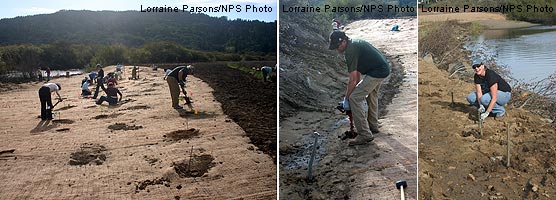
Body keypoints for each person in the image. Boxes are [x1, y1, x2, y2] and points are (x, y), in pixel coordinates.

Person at [328, 31, 390, 146]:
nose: (337, 49)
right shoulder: (353, 44)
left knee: (355, 98)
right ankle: (373, 126)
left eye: (337, 46)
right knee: (371, 95)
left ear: (344, 41)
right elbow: (356, 76)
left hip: (377, 71)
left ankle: (364, 134)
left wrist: (346, 99)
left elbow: (353, 80)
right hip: (382, 68)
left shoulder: (350, 50)